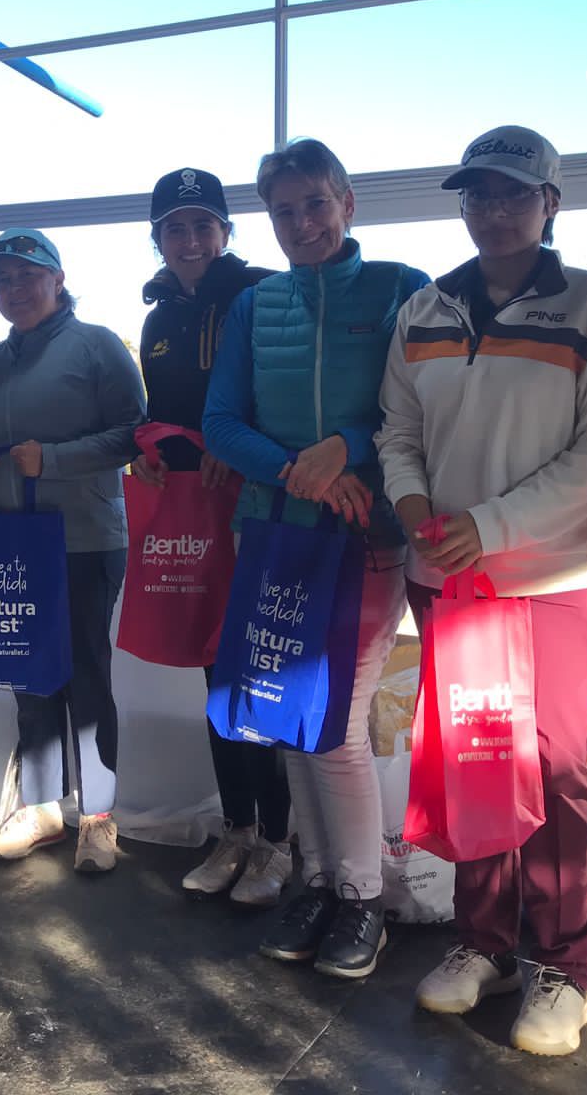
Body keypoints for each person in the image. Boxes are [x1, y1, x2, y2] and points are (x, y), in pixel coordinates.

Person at [377, 127, 587, 1054]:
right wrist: (414, 507)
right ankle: (483, 941)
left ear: (550, 203)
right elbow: (396, 429)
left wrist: (488, 526)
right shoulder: (426, 308)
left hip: (550, 575)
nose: (492, 211)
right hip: (445, 574)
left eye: (512, 194)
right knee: (474, 757)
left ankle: (565, 964)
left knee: (556, 766)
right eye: (476, 195)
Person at [203, 139, 429, 979]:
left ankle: (363, 896)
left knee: (334, 723)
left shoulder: (403, 289)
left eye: (316, 204)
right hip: (273, 535)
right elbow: (222, 423)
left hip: (365, 538)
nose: (302, 224)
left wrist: (346, 447)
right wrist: (302, 472)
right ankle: (319, 879)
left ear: (348, 203)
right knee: (288, 722)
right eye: (284, 211)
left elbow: (420, 409)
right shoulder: (256, 305)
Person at [0, 228, 146, 874]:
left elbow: (134, 434)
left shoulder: (97, 346)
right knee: (29, 676)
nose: (14, 289)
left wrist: (56, 459)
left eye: (27, 276)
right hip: (10, 543)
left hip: (84, 539)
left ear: (58, 280)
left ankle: (98, 817)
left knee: (87, 677)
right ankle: (39, 808)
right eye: (2, 280)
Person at [130, 167, 292, 906]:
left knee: (258, 674)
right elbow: (157, 412)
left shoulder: (263, 293)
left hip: (257, 507)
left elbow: (282, 398)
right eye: (175, 227)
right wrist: (147, 451)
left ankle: (279, 840)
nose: (190, 240)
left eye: (203, 225)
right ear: (158, 238)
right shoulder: (157, 318)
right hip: (194, 516)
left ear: (226, 231)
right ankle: (236, 830)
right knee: (214, 675)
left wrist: (239, 445)